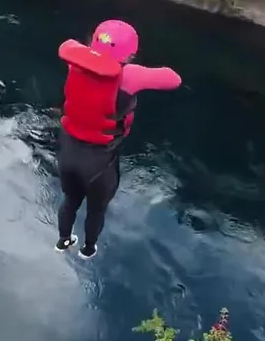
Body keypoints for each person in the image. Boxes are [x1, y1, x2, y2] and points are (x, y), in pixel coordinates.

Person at [54, 19, 181, 259]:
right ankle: (88, 249)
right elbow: (173, 79)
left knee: (70, 198)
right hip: (99, 161)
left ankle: (63, 241)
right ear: (130, 55)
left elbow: (77, 50)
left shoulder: (75, 62)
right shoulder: (130, 75)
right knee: (96, 210)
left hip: (67, 149)